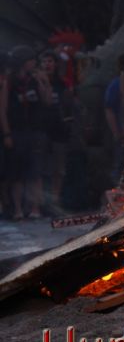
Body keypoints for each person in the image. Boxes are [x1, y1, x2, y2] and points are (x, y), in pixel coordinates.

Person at [0, 46, 52, 219]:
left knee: (35, 172)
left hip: (35, 131)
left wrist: (44, 82)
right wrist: (7, 133)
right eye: (31, 60)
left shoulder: (34, 80)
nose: (34, 64)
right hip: (17, 131)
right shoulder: (9, 81)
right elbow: (3, 109)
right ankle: (17, 209)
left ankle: (35, 208)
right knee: (17, 173)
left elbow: (47, 101)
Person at [39, 49, 72, 213]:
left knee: (59, 169)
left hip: (59, 129)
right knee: (42, 167)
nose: (47, 64)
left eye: (50, 61)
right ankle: (41, 202)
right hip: (41, 129)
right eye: (44, 61)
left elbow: (68, 103)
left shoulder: (62, 83)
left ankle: (55, 200)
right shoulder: (36, 81)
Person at [104, 53, 124, 184]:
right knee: (121, 166)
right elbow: (109, 110)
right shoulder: (115, 85)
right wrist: (117, 132)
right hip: (122, 133)